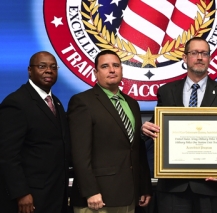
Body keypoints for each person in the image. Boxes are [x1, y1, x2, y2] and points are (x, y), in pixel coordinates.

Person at [141, 37, 217, 213]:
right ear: (185, 58)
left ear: (209, 59)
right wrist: (145, 129)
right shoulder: (166, 92)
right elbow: (158, 127)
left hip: (210, 188)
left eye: (204, 53)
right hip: (173, 187)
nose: (199, 57)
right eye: (194, 53)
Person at [68, 50, 152, 213]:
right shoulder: (82, 102)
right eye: (105, 66)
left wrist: (144, 186)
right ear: (95, 72)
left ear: (122, 70)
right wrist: (90, 191)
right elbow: (80, 153)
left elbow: (136, 149)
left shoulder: (132, 103)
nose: (112, 70)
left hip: (130, 196)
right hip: (98, 198)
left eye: (116, 65)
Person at [0, 51, 71, 213]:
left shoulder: (56, 102)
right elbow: (7, 155)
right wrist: (21, 193)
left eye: (53, 67)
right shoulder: (16, 103)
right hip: (31, 197)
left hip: (56, 194)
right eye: (42, 66)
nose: (49, 70)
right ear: (29, 70)